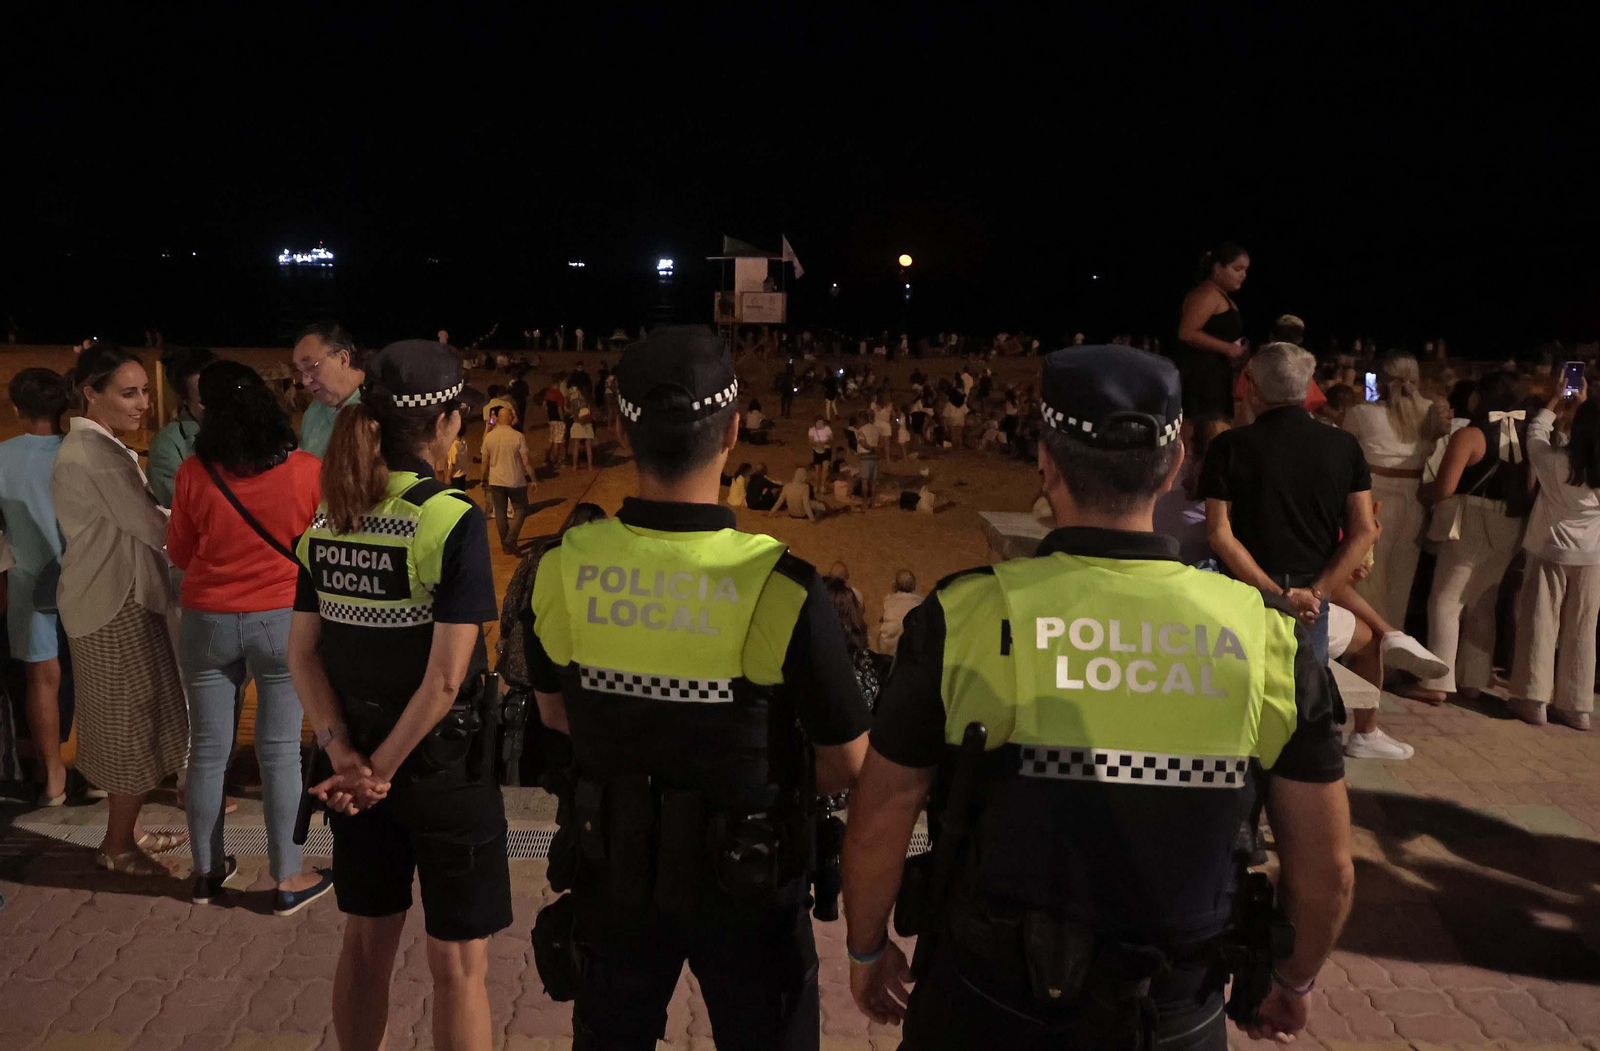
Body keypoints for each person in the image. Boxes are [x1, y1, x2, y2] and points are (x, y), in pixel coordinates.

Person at [844, 345, 1355, 1048]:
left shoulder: (963, 617)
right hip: (1172, 1009)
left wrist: (867, 949)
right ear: (1174, 466)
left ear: (1047, 463)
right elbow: (1328, 868)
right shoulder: (1265, 636)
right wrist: (1292, 981)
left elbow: (882, 812)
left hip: (986, 1000)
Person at [524, 325, 869, 1048]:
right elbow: (846, 763)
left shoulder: (560, 567)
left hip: (613, 871)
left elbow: (556, 715)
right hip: (749, 885)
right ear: (734, 429)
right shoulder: (782, 584)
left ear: (621, 431)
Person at [288, 340, 509, 1050]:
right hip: (440, 769)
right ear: (444, 422)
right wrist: (380, 770)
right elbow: (445, 679)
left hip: (352, 765)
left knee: (365, 942)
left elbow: (302, 653)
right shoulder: (449, 517)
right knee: (459, 964)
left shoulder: (332, 513)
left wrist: (344, 756)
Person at [1202, 344, 1441, 761]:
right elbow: (1363, 531)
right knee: (1304, 706)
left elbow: (1220, 534)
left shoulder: (1230, 446)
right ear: (1307, 387)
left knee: (1243, 700)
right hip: (1313, 598)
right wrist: (1316, 591)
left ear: (1253, 388)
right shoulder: (1343, 446)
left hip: (1247, 591)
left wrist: (1275, 591)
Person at [166, 360, 331, 912]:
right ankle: (287, 878)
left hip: (207, 621)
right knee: (280, 753)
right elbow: (318, 548)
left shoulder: (194, 473)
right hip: (281, 620)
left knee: (208, 751)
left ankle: (206, 872)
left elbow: (180, 552)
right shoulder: (307, 470)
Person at [52, 344, 190, 876]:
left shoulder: (98, 446)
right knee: (129, 726)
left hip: (112, 596)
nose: (142, 404)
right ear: (92, 393)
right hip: (114, 604)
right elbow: (153, 527)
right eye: (128, 393)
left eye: (145, 392)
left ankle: (128, 832)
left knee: (128, 721)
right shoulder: (96, 453)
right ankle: (117, 845)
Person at [1416, 371, 1529, 703]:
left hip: (1471, 521)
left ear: (1483, 396)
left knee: (1446, 602)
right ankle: (1473, 678)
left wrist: (1422, 492)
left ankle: (1437, 681)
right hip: (1511, 523)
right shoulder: (1527, 436)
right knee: (1483, 602)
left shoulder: (1471, 434)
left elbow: (1445, 488)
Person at [1506, 381, 1600, 730]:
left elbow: (1535, 434)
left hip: (1550, 548)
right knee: (1583, 628)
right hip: (1592, 554)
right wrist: (1583, 407)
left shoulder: (1555, 462)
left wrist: (1557, 400)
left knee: (1541, 622)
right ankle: (1577, 706)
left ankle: (1533, 699)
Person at [0, 368, 70, 805]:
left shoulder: (3, 456)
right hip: (88, 576)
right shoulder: (81, 451)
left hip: (27, 577)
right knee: (98, 676)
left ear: (16, 408)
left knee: (41, 679)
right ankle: (104, 771)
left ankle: (53, 776)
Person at [1342, 351, 1446, 628]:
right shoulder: (1430, 412)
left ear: (1381, 380)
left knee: (1370, 580)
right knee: (1403, 580)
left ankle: (1372, 645)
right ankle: (1393, 644)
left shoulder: (1362, 413)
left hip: (1374, 499)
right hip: (1414, 499)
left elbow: (1343, 456)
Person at [1173, 242, 1249, 421]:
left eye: (1245, 270)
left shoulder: (1219, 295)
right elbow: (1186, 333)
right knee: (1199, 427)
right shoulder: (1207, 294)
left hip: (1215, 374)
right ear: (1218, 269)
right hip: (1199, 376)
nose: (1243, 275)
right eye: (1237, 269)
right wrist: (1228, 348)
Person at [147, 345, 216, 507]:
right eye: (204, 400)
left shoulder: (245, 428)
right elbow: (179, 503)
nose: (216, 403)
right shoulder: (168, 444)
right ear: (184, 399)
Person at [293, 321, 365, 460]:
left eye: (312, 366)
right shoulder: (315, 410)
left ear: (343, 359)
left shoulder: (378, 411)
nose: (305, 381)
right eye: (300, 371)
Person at [481, 403, 538, 555]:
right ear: (510, 418)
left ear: (498, 419)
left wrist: (483, 478)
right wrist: (533, 479)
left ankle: (506, 543)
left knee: (500, 512)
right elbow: (526, 462)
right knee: (521, 509)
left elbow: (484, 461)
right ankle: (510, 539)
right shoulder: (518, 436)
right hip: (515, 479)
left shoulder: (489, 437)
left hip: (496, 480)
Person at [874, 569, 920, 656]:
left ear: (895, 585)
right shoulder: (918, 602)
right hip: (908, 649)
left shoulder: (888, 599)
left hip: (887, 646)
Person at [808, 417, 834, 492]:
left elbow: (831, 438)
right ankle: (816, 485)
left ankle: (822, 485)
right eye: (818, 423)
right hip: (817, 451)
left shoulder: (827, 429)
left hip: (826, 450)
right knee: (817, 470)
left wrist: (825, 441)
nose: (820, 424)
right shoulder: (812, 430)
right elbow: (811, 441)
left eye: (821, 423)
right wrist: (817, 443)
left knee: (825, 469)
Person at [569, 401, 596, 470]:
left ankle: (574, 466)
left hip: (577, 425)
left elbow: (573, 416)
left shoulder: (576, 406)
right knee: (588, 447)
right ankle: (590, 466)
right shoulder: (589, 408)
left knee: (576, 447)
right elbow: (593, 417)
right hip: (588, 426)